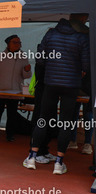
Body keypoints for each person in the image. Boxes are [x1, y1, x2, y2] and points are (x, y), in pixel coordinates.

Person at [24, 14, 90, 174]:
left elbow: (40, 59)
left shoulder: (50, 34)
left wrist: (52, 69)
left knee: (43, 119)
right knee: (66, 122)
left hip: (51, 83)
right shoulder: (82, 37)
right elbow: (86, 65)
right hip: (71, 85)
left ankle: (32, 157)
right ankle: (59, 163)